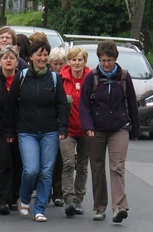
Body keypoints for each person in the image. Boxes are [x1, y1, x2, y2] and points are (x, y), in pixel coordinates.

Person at [6, 39, 68, 223]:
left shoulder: (55, 79)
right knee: (31, 170)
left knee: (46, 171)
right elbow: (11, 105)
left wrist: (63, 127)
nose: (42, 58)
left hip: (49, 131)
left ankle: (39, 209)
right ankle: (24, 198)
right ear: (31, 57)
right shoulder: (22, 76)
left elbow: (62, 105)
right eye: (39, 54)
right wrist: (10, 131)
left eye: (45, 54)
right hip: (27, 131)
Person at [79, 40, 140, 223]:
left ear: (115, 59)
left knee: (117, 167)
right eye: (103, 60)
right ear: (99, 59)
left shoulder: (124, 77)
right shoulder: (92, 77)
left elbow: (131, 104)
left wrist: (135, 130)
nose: (106, 64)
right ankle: (99, 207)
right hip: (96, 130)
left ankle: (119, 207)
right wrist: (88, 126)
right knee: (97, 168)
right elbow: (84, 106)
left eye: (110, 60)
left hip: (119, 128)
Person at [0, 46, 22, 215]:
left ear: (17, 61)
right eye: (5, 57)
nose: (8, 60)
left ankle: (14, 197)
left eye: (12, 57)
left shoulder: (23, 80)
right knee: (4, 163)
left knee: (18, 163)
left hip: (19, 128)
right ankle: (3, 200)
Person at [60, 46, 91, 217]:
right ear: (68, 61)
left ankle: (79, 199)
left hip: (86, 130)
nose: (77, 63)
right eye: (73, 59)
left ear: (84, 61)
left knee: (82, 165)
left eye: (80, 59)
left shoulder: (92, 79)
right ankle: (69, 199)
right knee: (69, 163)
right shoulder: (61, 79)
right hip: (67, 129)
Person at [48, 47, 67, 207]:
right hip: (48, 122)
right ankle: (46, 190)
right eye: (55, 63)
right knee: (47, 160)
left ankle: (58, 191)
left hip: (63, 123)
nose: (58, 67)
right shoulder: (48, 78)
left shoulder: (67, 79)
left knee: (60, 159)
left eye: (61, 64)